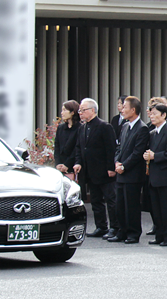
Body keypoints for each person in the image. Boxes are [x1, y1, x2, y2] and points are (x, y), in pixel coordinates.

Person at [74, 98, 119, 239]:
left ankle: (115, 227)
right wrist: (78, 162)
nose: (80, 113)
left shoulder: (104, 126)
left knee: (111, 200)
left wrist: (111, 167)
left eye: (83, 110)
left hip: (104, 170)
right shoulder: (82, 127)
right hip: (89, 170)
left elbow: (111, 148)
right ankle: (101, 226)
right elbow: (79, 148)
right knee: (95, 200)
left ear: (92, 110)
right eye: (79, 110)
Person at [109, 96, 150, 244]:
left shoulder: (142, 128)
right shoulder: (125, 126)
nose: (122, 109)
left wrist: (124, 166)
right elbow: (119, 147)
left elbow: (138, 153)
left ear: (133, 110)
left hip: (133, 173)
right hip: (121, 171)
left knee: (131, 205)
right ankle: (122, 231)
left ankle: (133, 233)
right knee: (120, 204)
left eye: (125, 107)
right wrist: (116, 162)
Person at [143, 103, 167, 246]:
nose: (152, 117)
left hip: (165, 176)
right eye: (151, 114)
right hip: (153, 176)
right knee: (156, 209)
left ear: (163, 115)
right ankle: (159, 235)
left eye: (155, 114)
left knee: (166, 208)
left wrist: (154, 156)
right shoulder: (152, 133)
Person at [54, 100, 81, 180]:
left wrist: (67, 164)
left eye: (64, 110)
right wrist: (58, 163)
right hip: (61, 166)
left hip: (73, 166)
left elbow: (77, 149)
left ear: (72, 112)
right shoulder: (61, 128)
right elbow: (57, 147)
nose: (62, 113)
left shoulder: (80, 128)